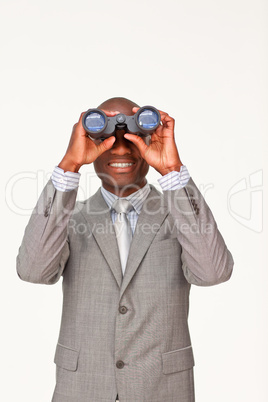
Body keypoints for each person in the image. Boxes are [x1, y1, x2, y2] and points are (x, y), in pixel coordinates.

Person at [16, 97, 234, 402]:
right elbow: (33, 270)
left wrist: (172, 169)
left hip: (161, 390)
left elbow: (213, 272)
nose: (120, 148)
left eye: (133, 137)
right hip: (83, 389)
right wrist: (70, 164)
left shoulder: (178, 214)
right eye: (107, 139)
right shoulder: (70, 218)